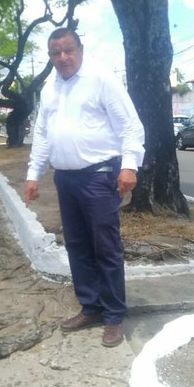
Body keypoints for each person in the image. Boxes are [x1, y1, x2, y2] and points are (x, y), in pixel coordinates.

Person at [24, 28, 145, 348]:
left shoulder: (101, 79)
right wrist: (33, 174)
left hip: (99, 177)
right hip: (66, 179)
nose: (63, 58)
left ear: (80, 49)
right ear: (50, 57)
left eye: (68, 51)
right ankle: (91, 307)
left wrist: (129, 164)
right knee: (77, 246)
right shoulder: (50, 90)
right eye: (55, 53)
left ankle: (114, 315)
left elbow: (130, 124)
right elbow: (43, 135)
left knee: (105, 247)